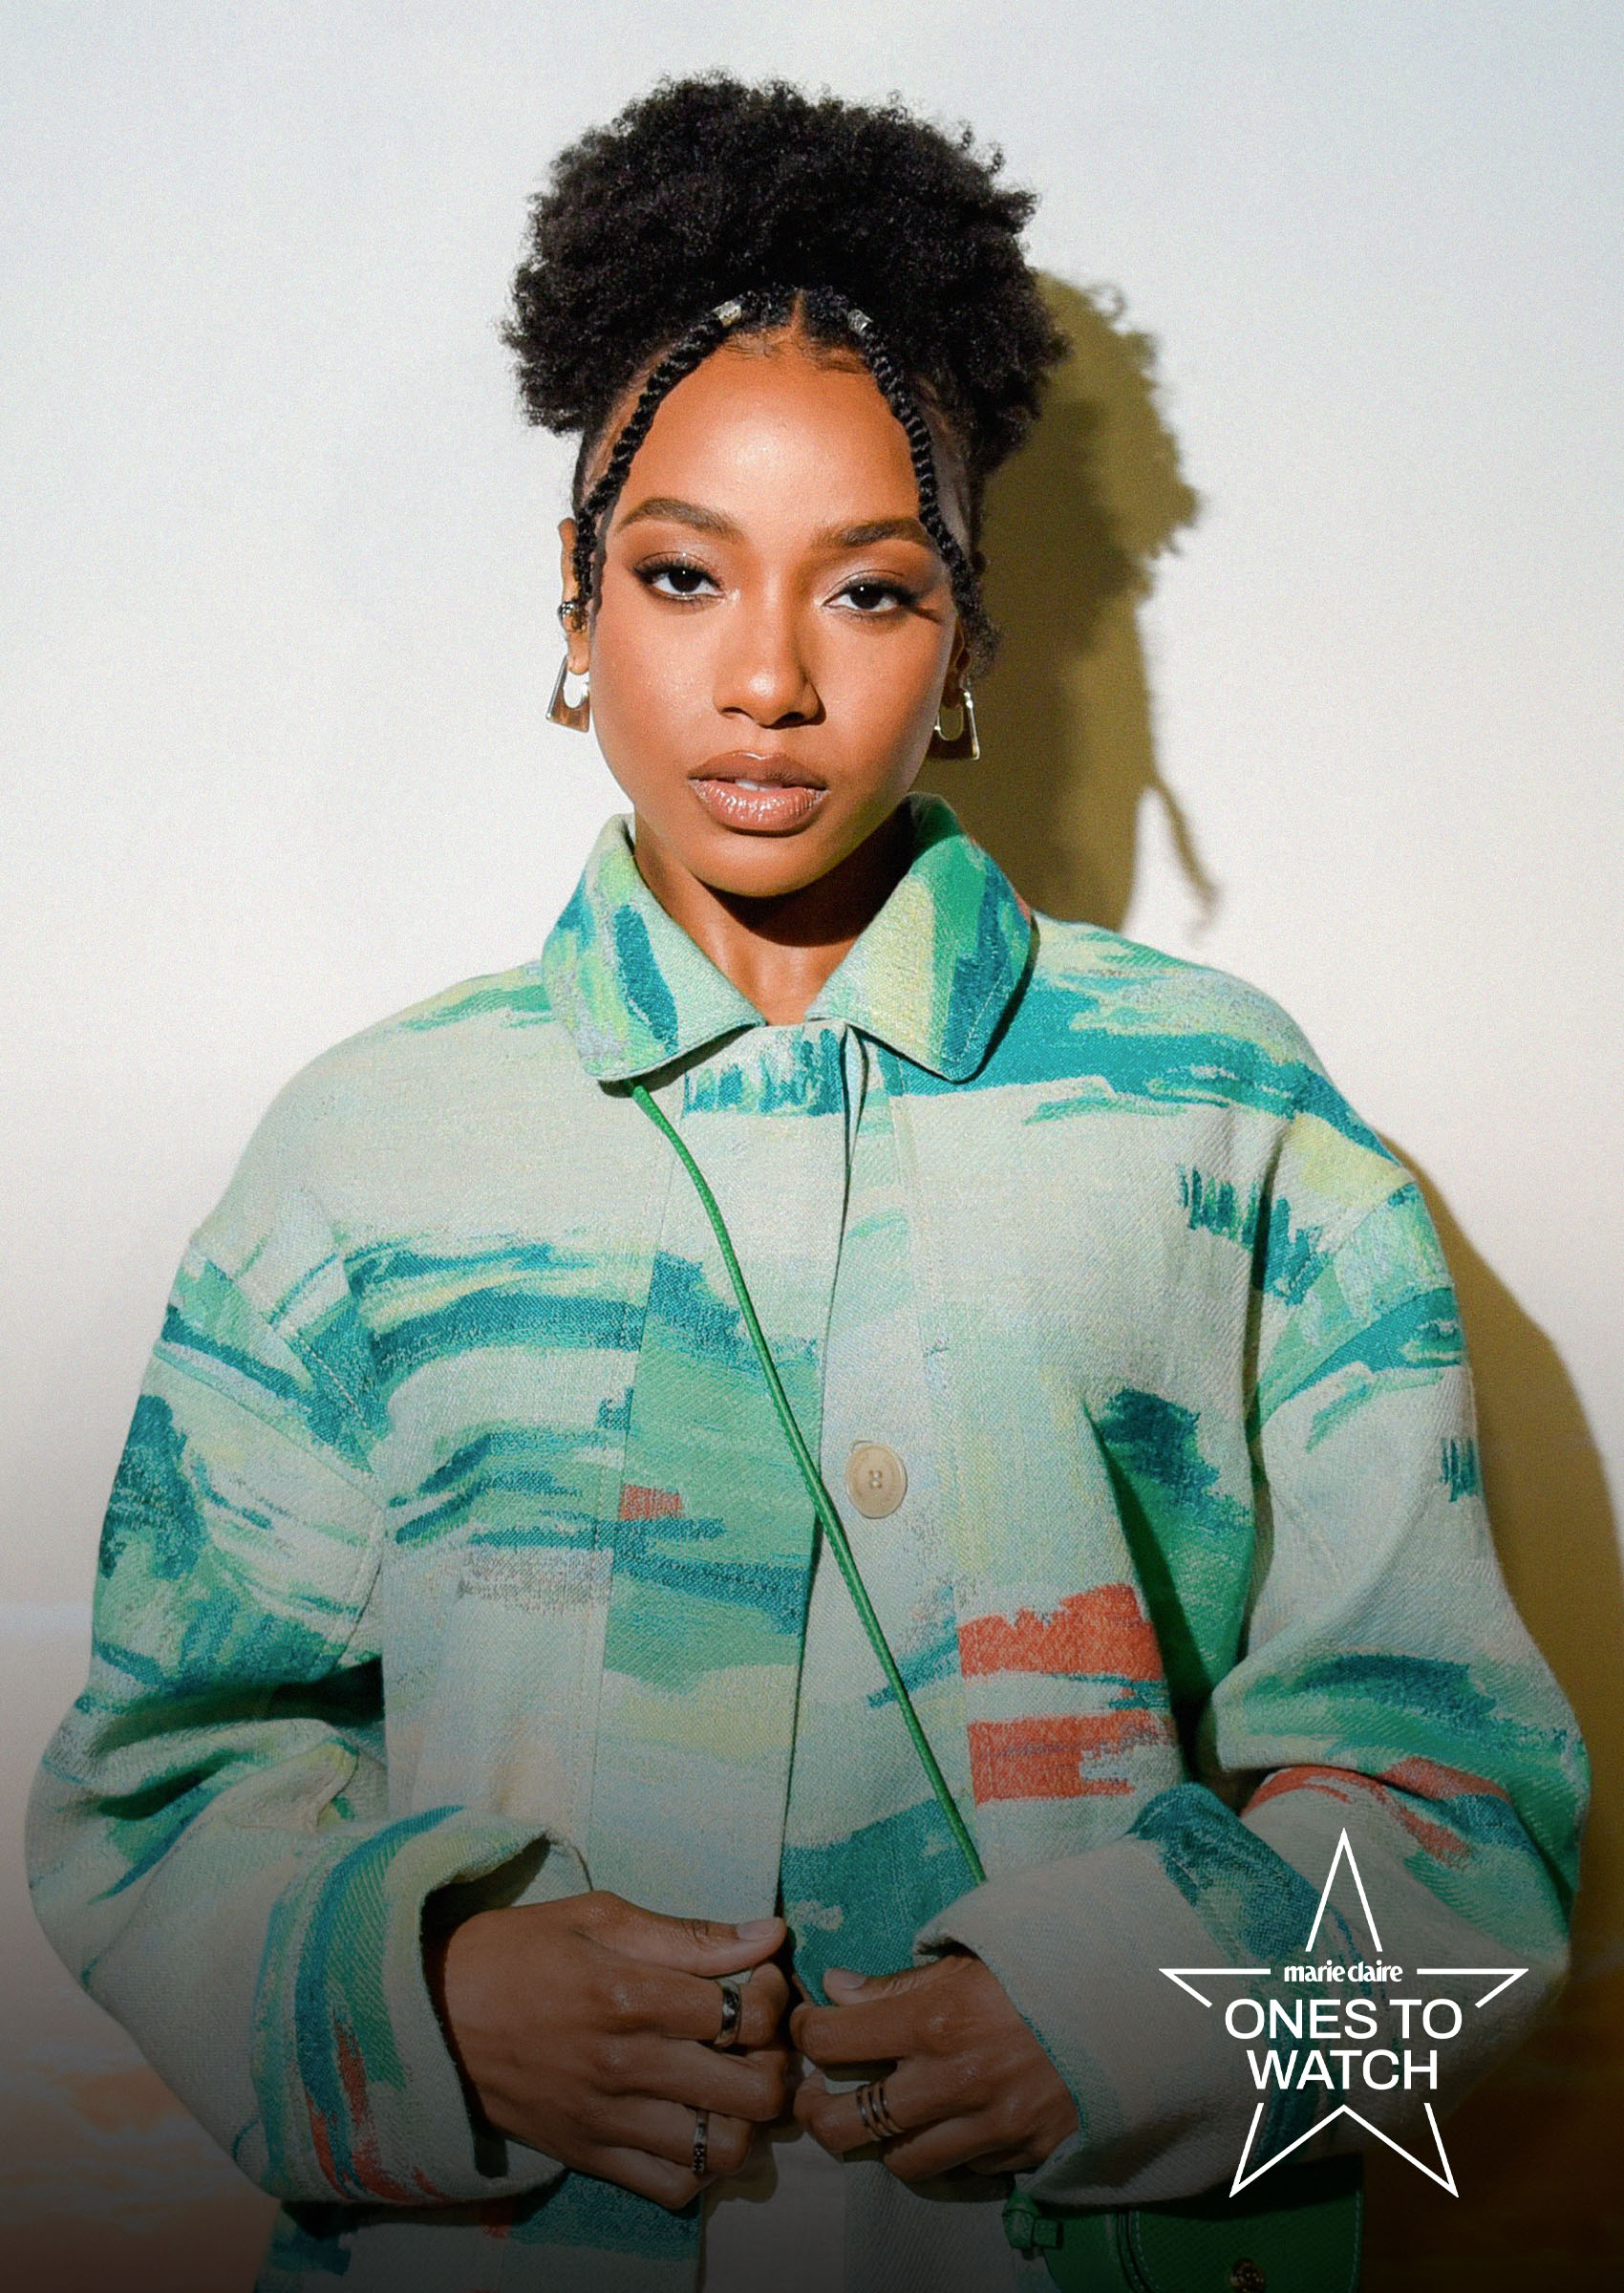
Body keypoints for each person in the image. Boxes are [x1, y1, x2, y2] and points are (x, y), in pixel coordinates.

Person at [28, 73, 1586, 2293]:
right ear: (575, 602)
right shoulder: (365, 1152)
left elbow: (1465, 1829)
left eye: (866, 591)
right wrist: (439, 1997)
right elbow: (156, 1787)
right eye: (679, 575)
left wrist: (1122, 2024)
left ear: (963, 639)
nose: (762, 680)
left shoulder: (1225, 1116)